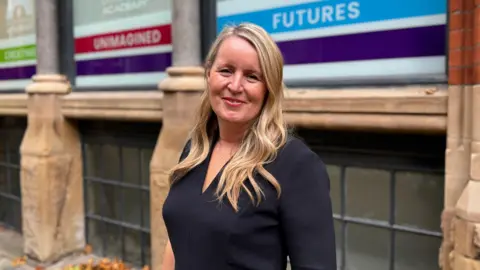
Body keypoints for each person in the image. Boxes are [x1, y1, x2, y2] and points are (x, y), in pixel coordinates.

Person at [161, 23, 336, 270]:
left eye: (252, 76)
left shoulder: (295, 164)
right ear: (208, 73)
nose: (235, 85)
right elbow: (177, 240)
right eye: (226, 70)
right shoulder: (195, 150)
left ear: (268, 89)